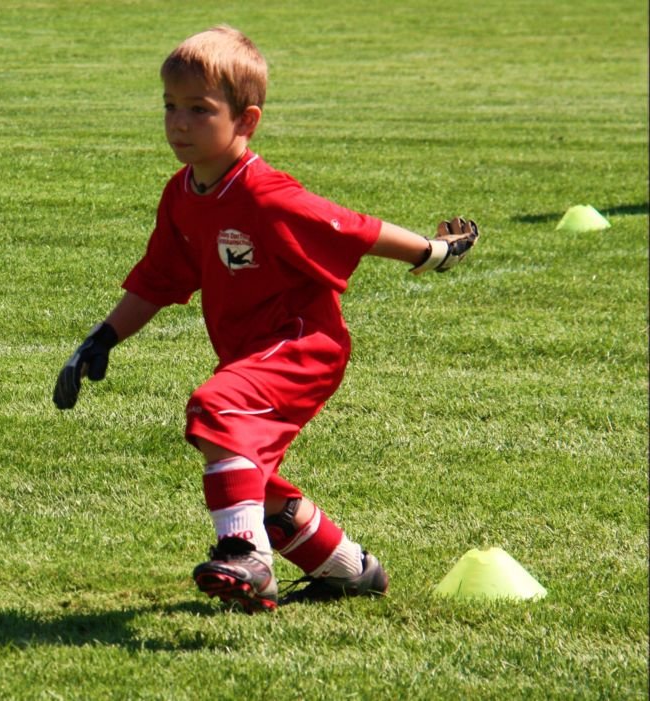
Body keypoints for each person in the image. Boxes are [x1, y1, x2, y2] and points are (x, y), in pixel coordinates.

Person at [53, 25, 479, 613]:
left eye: (199, 109)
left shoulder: (265, 194)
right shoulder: (182, 194)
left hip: (302, 345)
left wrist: (433, 251)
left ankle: (246, 556)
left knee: (216, 409)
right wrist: (102, 337)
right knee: (254, 483)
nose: (179, 123)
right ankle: (351, 570)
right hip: (250, 353)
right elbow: (157, 278)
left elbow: (352, 228)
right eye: (170, 107)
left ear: (246, 120)